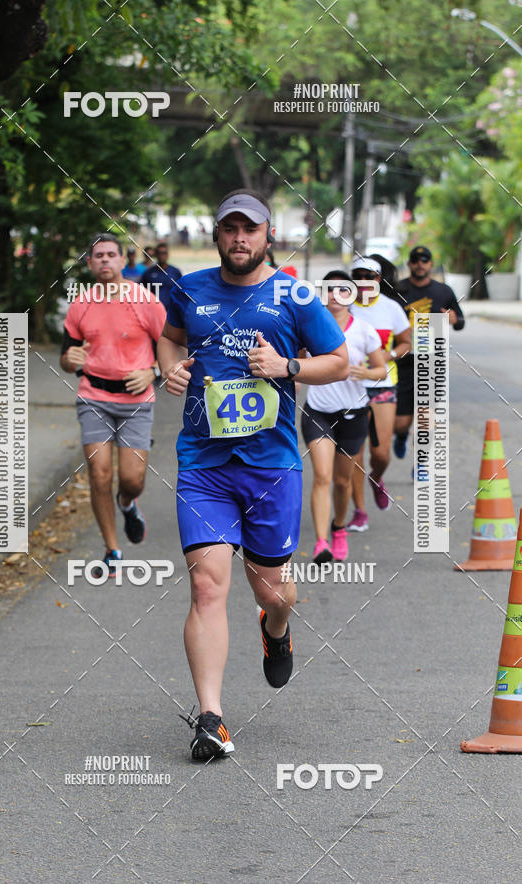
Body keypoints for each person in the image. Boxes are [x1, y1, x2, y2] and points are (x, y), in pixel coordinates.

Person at [157, 189, 348, 761]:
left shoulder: (293, 293)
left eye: (251, 229)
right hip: (204, 465)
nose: (240, 238)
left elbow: (336, 359)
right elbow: (168, 339)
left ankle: (276, 628)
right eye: (230, 228)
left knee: (273, 590)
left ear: (268, 236)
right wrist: (171, 371)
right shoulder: (188, 289)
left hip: (271, 468)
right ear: (217, 235)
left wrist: (287, 366)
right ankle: (211, 718)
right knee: (207, 584)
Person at [60, 233, 166, 571]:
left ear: (123, 261)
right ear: (90, 264)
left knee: (132, 480)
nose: (105, 260)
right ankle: (112, 549)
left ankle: (127, 503)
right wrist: (69, 358)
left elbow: (172, 347)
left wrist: (153, 371)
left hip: (137, 400)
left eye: (111, 254)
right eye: (98, 256)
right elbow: (67, 356)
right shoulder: (81, 304)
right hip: (94, 397)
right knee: (99, 473)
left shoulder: (145, 301)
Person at [301, 270, 385, 562]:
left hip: (353, 413)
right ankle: (321, 542)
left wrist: (366, 373)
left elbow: (382, 370)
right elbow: (297, 361)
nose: (335, 294)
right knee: (322, 476)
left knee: (341, 481)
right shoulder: (309, 325)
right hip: (318, 412)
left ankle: (339, 528)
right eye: (329, 289)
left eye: (342, 289)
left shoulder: (364, 330)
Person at [347, 257, 411, 526]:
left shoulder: (391, 308)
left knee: (381, 454)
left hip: (383, 384)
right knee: (355, 454)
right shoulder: (344, 306)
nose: (364, 280)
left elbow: (407, 342)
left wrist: (390, 355)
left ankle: (376, 477)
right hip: (350, 387)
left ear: (379, 279)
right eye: (358, 275)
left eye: (369, 275)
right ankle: (359, 512)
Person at [393, 245, 465, 458]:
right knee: (400, 422)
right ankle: (401, 435)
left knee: (426, 417)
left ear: (431, 264)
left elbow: (460, 321)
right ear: (409, 264)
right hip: (404, 360)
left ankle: (421, 462)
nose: (420, 264)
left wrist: (454, 319)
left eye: (424, 260)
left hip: (432, 361)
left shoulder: (443, 291)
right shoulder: (398, 290)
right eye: (415, 260)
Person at [141, 241, 182, 311]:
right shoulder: (148, 273)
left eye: (164, 253)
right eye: (160, 253)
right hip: (154, 312)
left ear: (168, 255)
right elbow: (142, 295)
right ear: (156, 255)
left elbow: (181, 293)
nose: (162, 255)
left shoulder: (175, 272)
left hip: (172, 313)